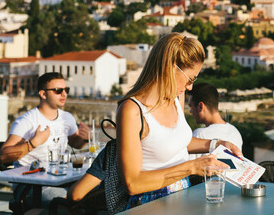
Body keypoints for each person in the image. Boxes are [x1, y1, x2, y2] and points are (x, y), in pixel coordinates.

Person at [69, 33, 241, 209]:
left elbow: (177, 141)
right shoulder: (132, 110)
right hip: (150, 204)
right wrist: (191, 167)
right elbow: (133, 184)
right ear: (171, 68)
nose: (190, 87)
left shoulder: (177, 97)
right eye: (190, 79)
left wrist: (218, 144)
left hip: (183, 196)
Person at [0, 72, 89, 205]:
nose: (64, 94)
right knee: (67, 203)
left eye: (66, 90)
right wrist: (33, 143)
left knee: (91, 197)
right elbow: (3, 156)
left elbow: (75, 143)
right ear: (43, 94)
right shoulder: (27, 121)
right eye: (58, 91)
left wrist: (84, 138)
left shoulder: (67, 117)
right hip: (30, 185)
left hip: (61, 179)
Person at [187, 83, 243, 160]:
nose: (190, 111)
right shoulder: (235, 131)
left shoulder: (200, 134)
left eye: (191, 106)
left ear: (200, 106)